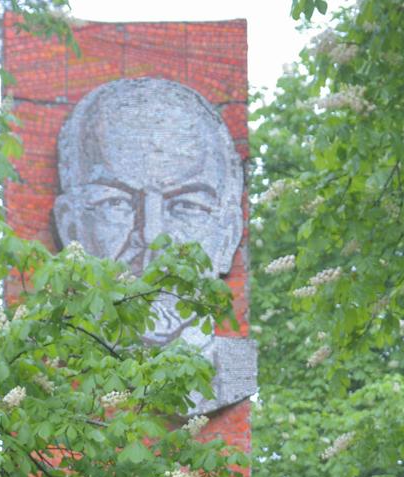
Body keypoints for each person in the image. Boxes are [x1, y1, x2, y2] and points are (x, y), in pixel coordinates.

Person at [53, 77, 256, 412]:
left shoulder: (238, 372)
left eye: (187, 205)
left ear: (228, 235)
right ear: (70, 228)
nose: (151, 237)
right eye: (115, 203)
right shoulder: (44, 367)